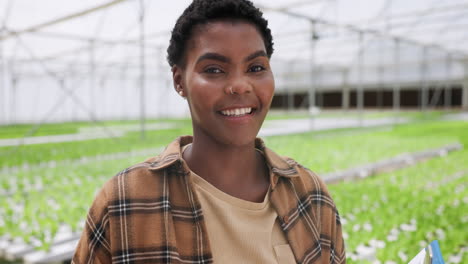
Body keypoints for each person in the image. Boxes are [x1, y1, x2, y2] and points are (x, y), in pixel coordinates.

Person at [72, 0, 345, 263]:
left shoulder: (310, 194)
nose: (239, 85)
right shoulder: (125, 202)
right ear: (180, 81)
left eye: (256, 68)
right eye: (214, 69)